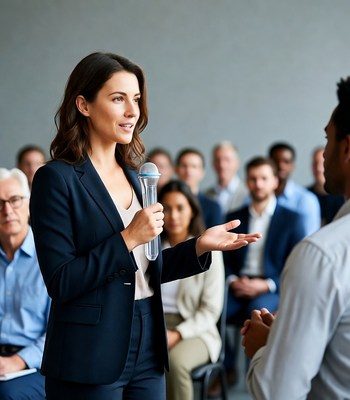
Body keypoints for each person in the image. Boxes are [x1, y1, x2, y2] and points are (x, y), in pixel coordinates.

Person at [29, 52, 260, 400]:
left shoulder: (137, 178)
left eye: (135, 99)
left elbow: (146, 269)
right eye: (118, 98)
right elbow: (62, 281)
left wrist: (198, 246)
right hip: (90, 350)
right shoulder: (56, 179)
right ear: (84, 105)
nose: (132, 111)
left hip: (148, 343)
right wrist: (127, 238)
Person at [242, 74, 350, 399]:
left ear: (347, 148)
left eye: (327, 139)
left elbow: (276, 393)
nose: (323, 154)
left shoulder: (323, 253)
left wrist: (264, 350)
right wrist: (287, 340)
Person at [222, 157, 307, 385]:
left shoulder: (292, 219)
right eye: (253, 179)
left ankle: (258, 375)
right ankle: (226, 369)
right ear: (247, 182)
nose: (258, 184)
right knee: (214, 309)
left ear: (275, 182)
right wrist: (232, 280)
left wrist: (267, 284)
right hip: (238, 283)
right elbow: (224, 259)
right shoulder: (233, 217)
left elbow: (297, 265)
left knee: (257, 314)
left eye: (263, 179)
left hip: (270, 286)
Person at [159, 180, 225, 400]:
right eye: (166, 208)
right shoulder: (150, 249)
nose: (173, 216)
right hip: (155, 324)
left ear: (192, 211)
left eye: (180, 208)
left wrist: (178, 334)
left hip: (196, 330)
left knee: (175, 362)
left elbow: (210, 310)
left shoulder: (209, 249)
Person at [0, 167, 50, 399]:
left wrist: (17, 361)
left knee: (8, 394)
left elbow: (58, 330)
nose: (7, 210)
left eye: (15, 200)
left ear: (29, 204)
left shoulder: (50, 256)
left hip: (36, 365)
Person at [268, 142, 321, 235]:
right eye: (276, 161)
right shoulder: (254, 198)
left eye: (286, 161)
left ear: (293, 166)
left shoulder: (307, 200)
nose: (281, 166)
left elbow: (309, 237)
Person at [175, 148, 223, 228]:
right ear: (176, 169)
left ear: (202, 172)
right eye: (184, 166)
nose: (188, 171)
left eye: (194, 166)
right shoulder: (164, 203)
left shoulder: (213, 207)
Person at [205, 141, 249, 216]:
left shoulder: (249, 193)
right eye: (217, 160)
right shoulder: (206, 195)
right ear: (213, 164)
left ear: (237, 163)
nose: (222, 165)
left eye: (227, 160)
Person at [307, 146, 344, 225]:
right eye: (315, 163)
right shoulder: (304, 196)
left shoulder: (343, 198)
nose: (318, 168)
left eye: (322, 163)